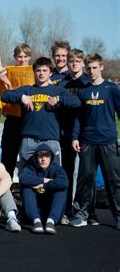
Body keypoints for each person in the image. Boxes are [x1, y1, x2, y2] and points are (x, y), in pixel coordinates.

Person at [70, 53, 120, 229]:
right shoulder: (83, 91)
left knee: (114, 181)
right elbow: (79, 118)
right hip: (88, 141)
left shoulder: (112, 89)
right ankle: (81, 214)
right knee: (85, 180)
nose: (91, 71)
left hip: (108, 141)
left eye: (94, 68)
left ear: (101, 67)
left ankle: (119, 216)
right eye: (89, 68)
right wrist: (75, 137)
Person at [1, 57, 80, 166]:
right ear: (34, 72)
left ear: (51, 73)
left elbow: (76, 101)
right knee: (26, 175)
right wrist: (22, 97)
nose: (41, 74)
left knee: (52, 175)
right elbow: (5, 95)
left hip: (51, 139)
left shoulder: (57, 90)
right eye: (38, 71)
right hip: (29, 139)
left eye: (44, 70)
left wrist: (58, 99)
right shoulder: (27, 90)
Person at [57, 49, 90, 223]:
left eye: (78, 60)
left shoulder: (88, 82)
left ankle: (88, 211)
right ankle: (66, 209)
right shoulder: (62, 84)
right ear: (67, 63)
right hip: (65, 133)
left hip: (86, 133)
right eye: (71, 60)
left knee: (86, 174)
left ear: (83, 63)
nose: (74, 63)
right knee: (67, 173)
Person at [0, 44, 35, 178]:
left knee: (28, 155)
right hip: (13, 117)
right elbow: (2, 89)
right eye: (19, 56)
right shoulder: (9, 70)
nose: (22, 59)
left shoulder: (35, 70)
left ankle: (27, 187)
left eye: (25, 56)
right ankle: (5, 187)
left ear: (29, 57)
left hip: (29, 118)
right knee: (9, 155)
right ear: (15, 57)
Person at [19, 144, 68, 234]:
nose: (43, 159)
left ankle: (51, 222)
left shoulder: (56, 167)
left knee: (61, 189)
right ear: (36, 157)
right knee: (26, 188)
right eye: (41, 156)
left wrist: (44, 186)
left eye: (46, 156)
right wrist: (43, 180)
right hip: (35, 211)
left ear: (51, 158)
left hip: (52, 211)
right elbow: (23, 178)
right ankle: (36, 221)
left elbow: (64, 182)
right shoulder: (30, 167)